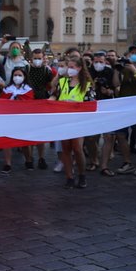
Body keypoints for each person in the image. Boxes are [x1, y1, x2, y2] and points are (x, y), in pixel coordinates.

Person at [51, 56, 93, 189]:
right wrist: (49, 100)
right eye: (68, 67)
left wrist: (74, 105)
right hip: (63, 119)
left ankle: (82, 175)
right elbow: (55, 95)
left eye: (72, 67)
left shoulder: (86, 85)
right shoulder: (62, 82)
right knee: (66, 149)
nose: (69, 69)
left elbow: (90, 104)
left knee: (77, 149)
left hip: (78, 120)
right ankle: (69, 177)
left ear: (80, 68)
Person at [0, 67, 34, 173]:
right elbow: (2, 101)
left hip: (22, 119)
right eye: (15, 75)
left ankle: (28, 160)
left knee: (24, 142)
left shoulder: (28, 89)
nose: (17, 77)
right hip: (8, 118)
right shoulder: (7, 89)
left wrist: (18, 98)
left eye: (20, 75)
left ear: (24, 77)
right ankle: (7, 163)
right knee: (7, 141)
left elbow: (29, 102)